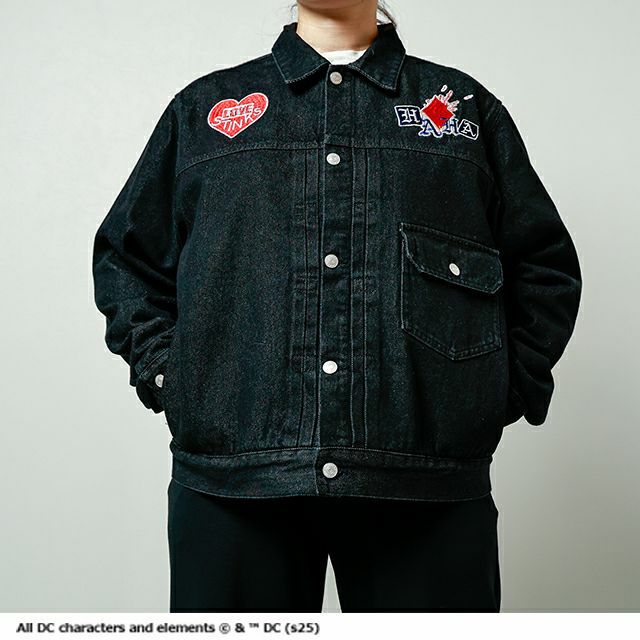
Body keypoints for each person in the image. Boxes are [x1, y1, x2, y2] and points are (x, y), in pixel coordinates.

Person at [91, 0, 582, 613]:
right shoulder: (204, 110)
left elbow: (543, 267)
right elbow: (128, 259)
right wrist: (174, 377)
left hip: (424, 483)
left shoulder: (463, 109)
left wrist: (494, 391)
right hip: (233, 482)